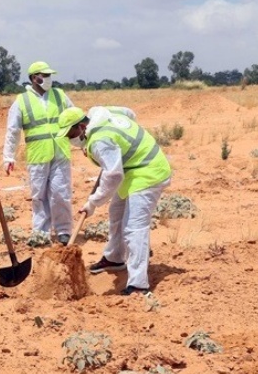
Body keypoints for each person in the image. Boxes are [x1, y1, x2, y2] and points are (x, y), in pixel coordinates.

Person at [58, 106, 172, 295]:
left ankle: (138, 284)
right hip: (132, 169)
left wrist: (93, 203)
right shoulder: (98, 114)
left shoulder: (100, 140)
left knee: (134, 227)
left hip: (148, 171)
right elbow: (129, 113)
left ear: (80, 127)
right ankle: (115, 258)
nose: (70, 139)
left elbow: (113, 175)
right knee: (116, 212)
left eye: (70, 133)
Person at [2, 61, 75, 247]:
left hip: (60, 152)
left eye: (50, 75)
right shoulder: (22, 101)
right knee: (39, 196)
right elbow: (13, 130)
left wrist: (83, 141)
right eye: (45, 75)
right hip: (37, 155)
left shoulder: (59, 96)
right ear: (35, 78)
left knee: (60, 193)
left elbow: (75, 118)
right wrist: (8, 156)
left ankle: (64, 230)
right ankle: (41, 233)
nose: (49, 79)